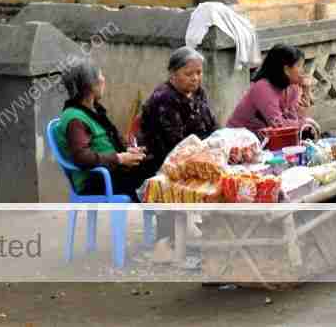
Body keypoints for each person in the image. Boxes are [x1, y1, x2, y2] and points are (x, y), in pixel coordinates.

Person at [137, 47, 219, 264]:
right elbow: (175, 142)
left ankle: (216, 232)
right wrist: (202, 155)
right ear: (173, 74)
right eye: (189, 73)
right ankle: (165, 241)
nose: (195, 78)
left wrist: (216, 146)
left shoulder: (199, 93)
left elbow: (212, 125)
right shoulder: (164, 98)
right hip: (161, 159)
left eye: (199, 73)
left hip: (193, 154)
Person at [52, 62, 149, 202]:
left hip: (111, 172)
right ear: (91, 85)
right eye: (100, 75)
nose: (103, 79)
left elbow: (106, 143)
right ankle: (162, 221)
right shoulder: (75, 119)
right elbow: (82, 158)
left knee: (156, 166)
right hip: (95, 180)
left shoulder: (93, 111)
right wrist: (120, 158)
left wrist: (129, 151)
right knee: (154, 180)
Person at [226, 44, 320, 138]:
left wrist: (306, 92)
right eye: (299, 66)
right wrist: (304, 123)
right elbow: (278, 125)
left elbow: (295, 119)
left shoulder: (292, 87)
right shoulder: (262, 88)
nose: (303, 70)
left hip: (266, 138)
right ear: (286, 69)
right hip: (239, 139)